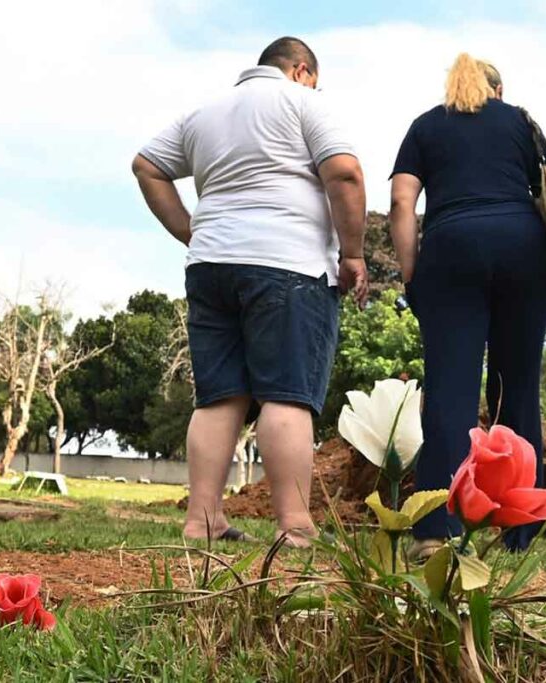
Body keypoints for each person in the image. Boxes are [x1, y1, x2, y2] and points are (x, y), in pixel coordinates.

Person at [132, 37, 368, 547]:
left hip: (212, 267)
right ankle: (296, 527)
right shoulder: (304, 102)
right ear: (301, 70)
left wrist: (191, 231)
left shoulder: (204, 114)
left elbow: (146, 166)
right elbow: (345, 173)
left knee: (220, 397)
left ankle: (202, 521)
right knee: (286, 395)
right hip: (288, 265)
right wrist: (352, 254)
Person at [388, 54, 546, 557]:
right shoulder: (519, 121)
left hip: (451, 248)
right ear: (498, 91)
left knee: (449, 389)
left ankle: (434, 530)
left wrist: (412, 273)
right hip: (525, 250)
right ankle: (520, 530)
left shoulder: (425, 126)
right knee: (517, 387)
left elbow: (402, 201)